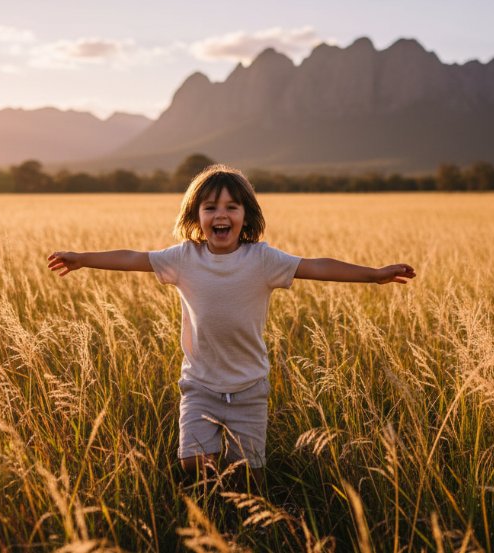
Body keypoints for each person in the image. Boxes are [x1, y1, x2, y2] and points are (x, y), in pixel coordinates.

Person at [47, 164, 415, 496]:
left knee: (248, 479)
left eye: (231, 207)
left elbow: (316, 266)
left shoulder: (263, 260)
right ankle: (209, 509)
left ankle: (240, 517)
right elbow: (132, 258)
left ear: (246, 216)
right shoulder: (183, 258)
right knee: (194, 464)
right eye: (210, 207)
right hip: (199, 385)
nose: (220, 215)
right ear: (196, 216)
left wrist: (374, 274)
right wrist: (83, 259)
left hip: (249, 388)